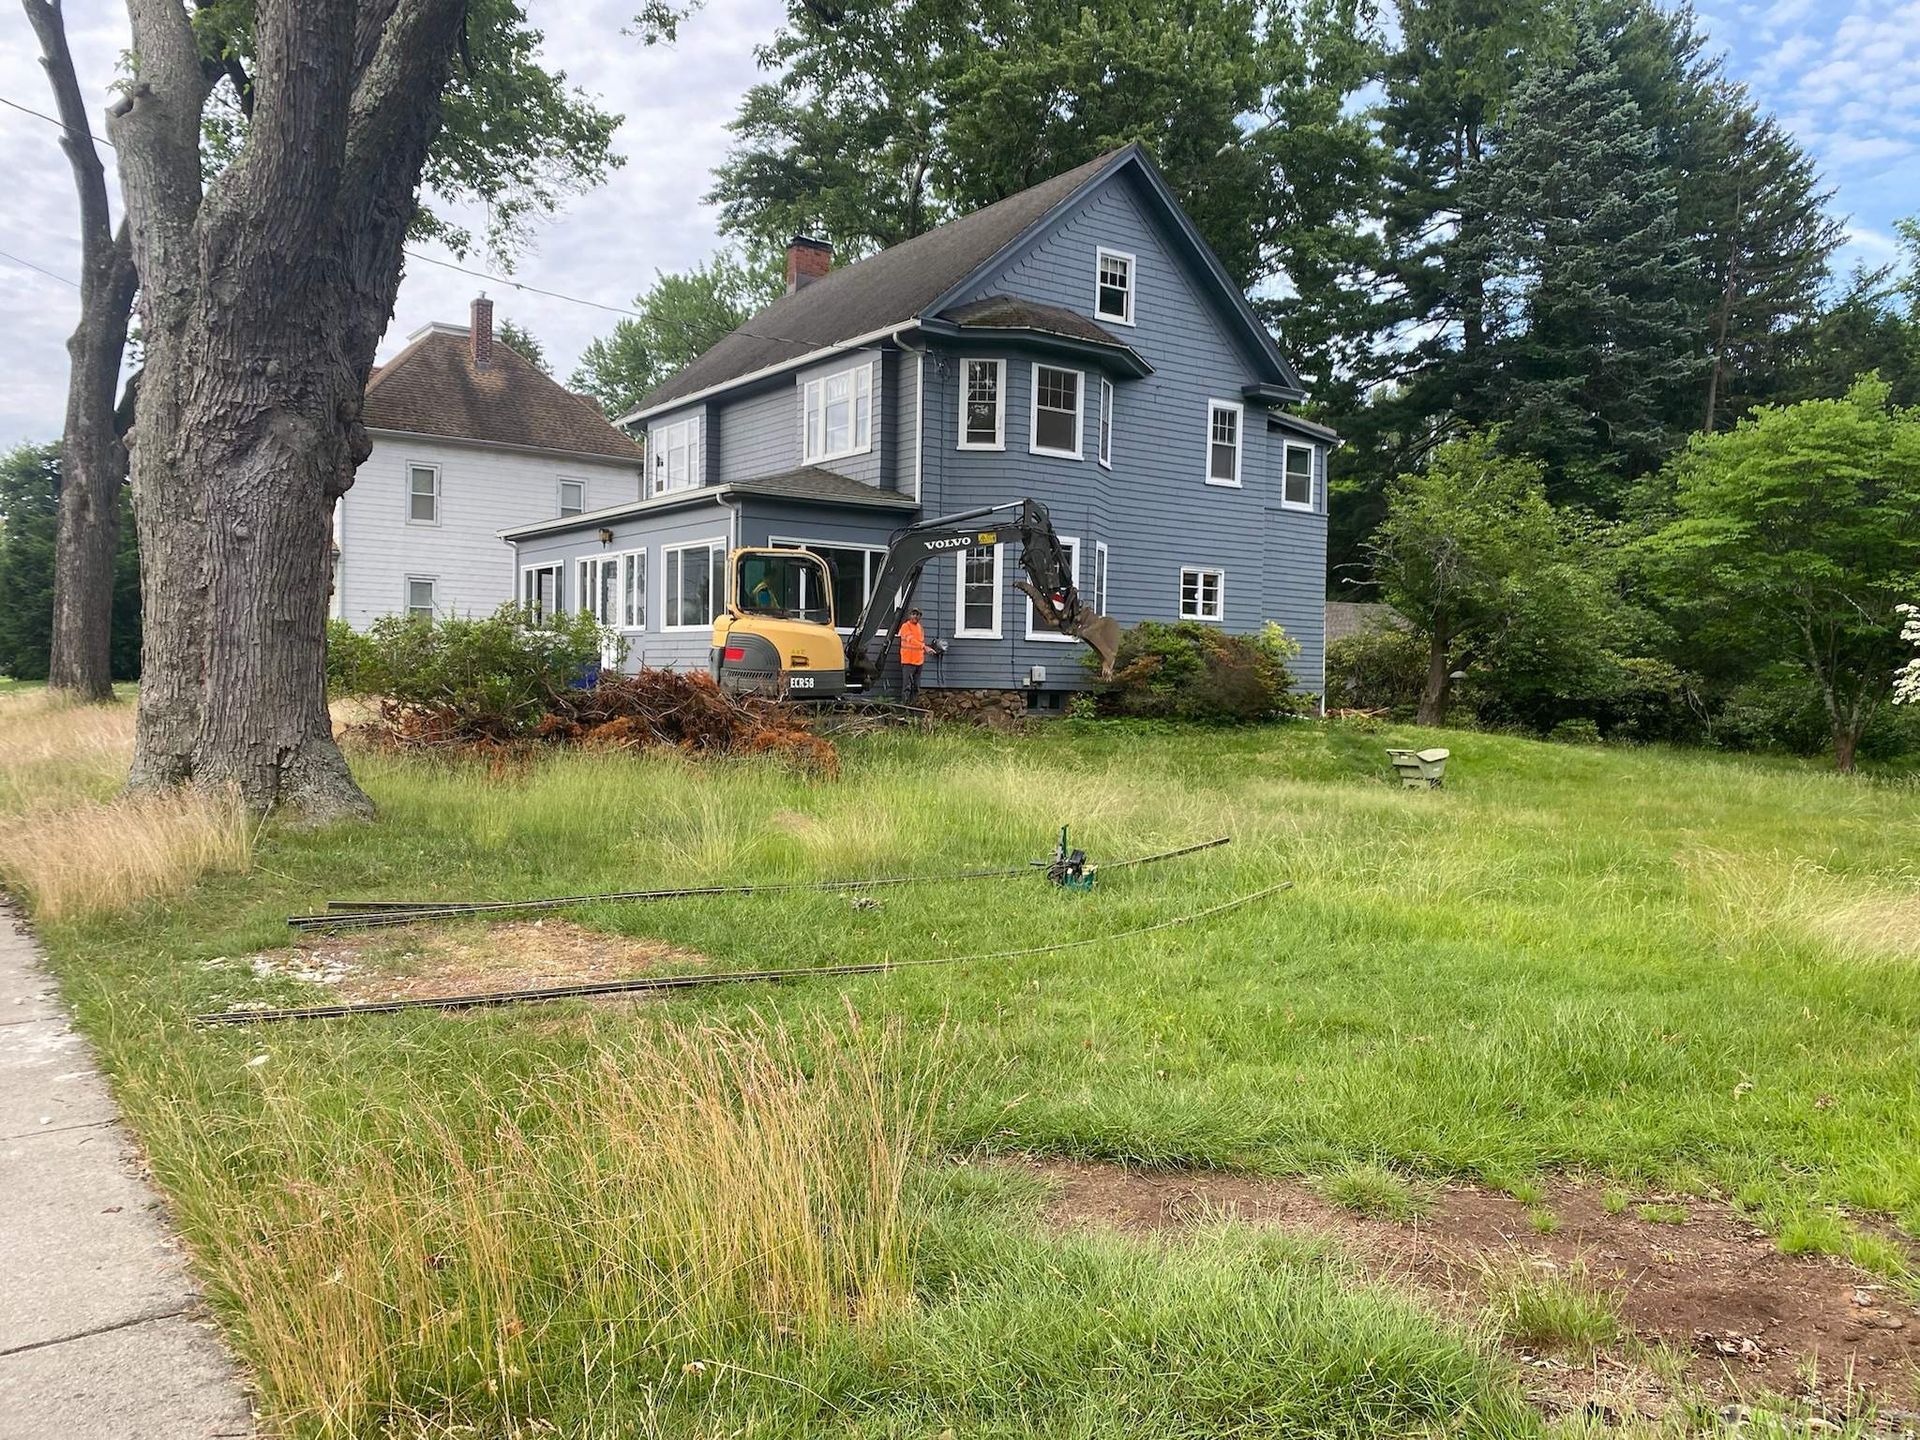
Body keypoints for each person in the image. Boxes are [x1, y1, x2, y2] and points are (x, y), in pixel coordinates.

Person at [897, 608, 927, 703]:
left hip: (919, 661)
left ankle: (914, 707)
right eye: (913, 614)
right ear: (909, 615)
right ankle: (905, 706)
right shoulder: (905, 626)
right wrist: (924, 647)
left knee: (916, 686)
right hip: (908, 661)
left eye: (917, 614)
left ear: (920, 617)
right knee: (907, 686)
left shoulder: (920, 628)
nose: (915, 616)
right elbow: (911, 639)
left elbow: (920, 642)